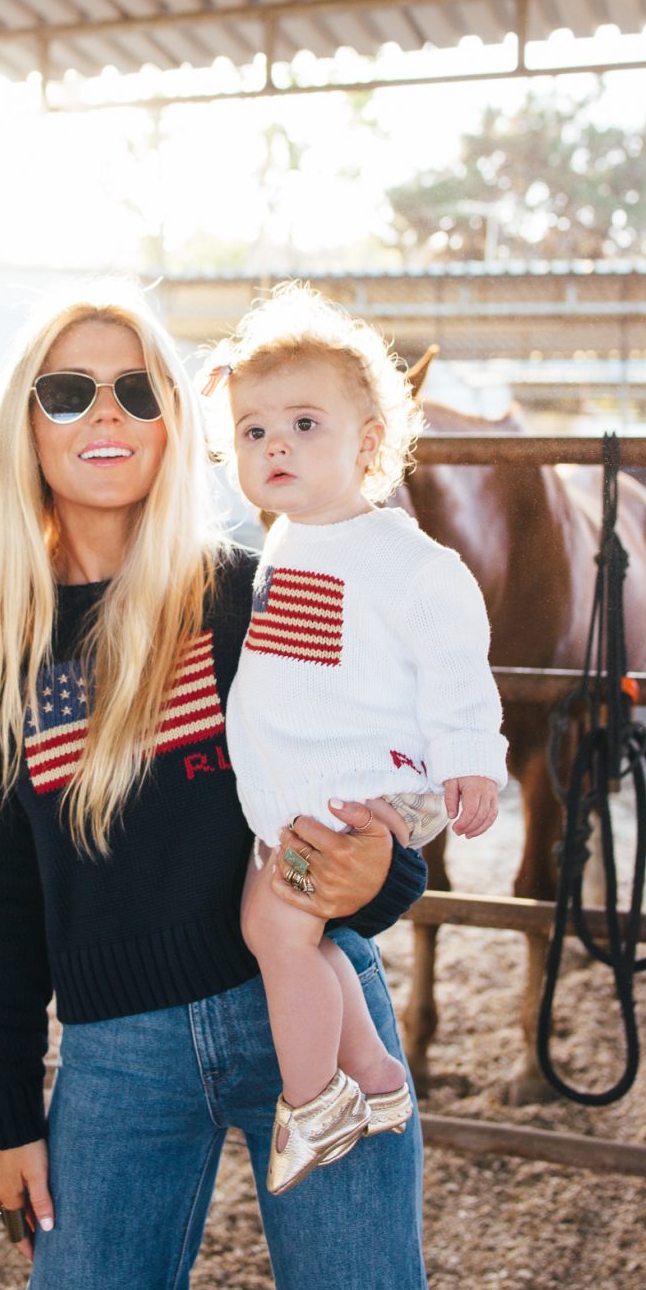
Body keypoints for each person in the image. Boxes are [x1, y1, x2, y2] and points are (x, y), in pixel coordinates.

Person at [0, 281, 435, 1290]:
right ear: (26, 425)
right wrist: (16, 1113)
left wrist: (385, 877)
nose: (106, 414)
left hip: (312, 1020)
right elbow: (2, 900)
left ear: (172, 424)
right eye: (70, 391)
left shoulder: (255, 599)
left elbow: (372, 788)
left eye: (136, 390)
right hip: (118, 1060)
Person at [201, 283, 507, 1195]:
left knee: (275, 930)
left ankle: (313, 1105)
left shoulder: (401, 555)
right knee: (307, 934)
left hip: (361, 794)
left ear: (369, 442)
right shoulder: (292, 540)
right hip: (311, 793)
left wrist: (472, 760)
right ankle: (375, 1077)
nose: (275, 446)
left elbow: (457, 656)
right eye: (253, 431)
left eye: (303, 423)